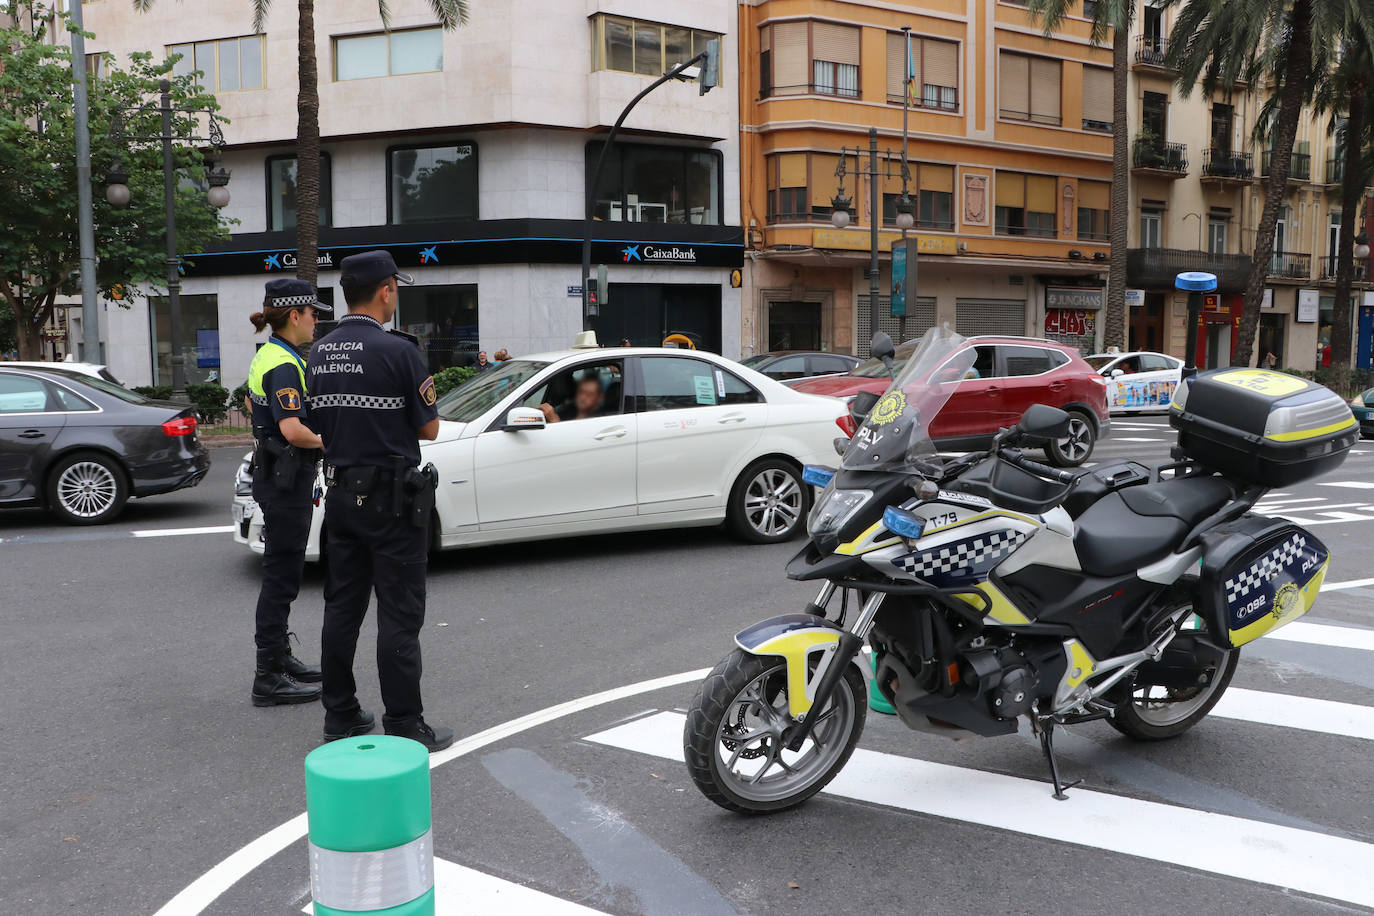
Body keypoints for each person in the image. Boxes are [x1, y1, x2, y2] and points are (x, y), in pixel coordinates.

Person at [306, 250, 454, 752]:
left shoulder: (318, 352)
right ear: (387, 289)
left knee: (341, 610)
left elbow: (315, 424)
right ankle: (405, 722)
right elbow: (429, 427)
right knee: (399, 613)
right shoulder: (399, 351)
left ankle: (341, 714)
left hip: (342, 494)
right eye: (396, 288)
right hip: (392, 498)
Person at [246, 278, 331, 707]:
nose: (317, 320)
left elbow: (252, 406)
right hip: (286, 479)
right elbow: (294, 429)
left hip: (277, 474)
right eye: (313, 313)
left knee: (283, 575)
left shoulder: (269, 356)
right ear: (294, 315)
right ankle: (269, 675)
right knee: (281, 578)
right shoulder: (283, 363)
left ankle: (280, 659)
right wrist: (331, 441)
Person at [540, 375, 604, 423]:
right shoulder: (567, 410)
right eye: (581, 392)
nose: (583, 397)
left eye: (589, 394)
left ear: (599, 398)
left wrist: (555, 421)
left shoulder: (600, 419)